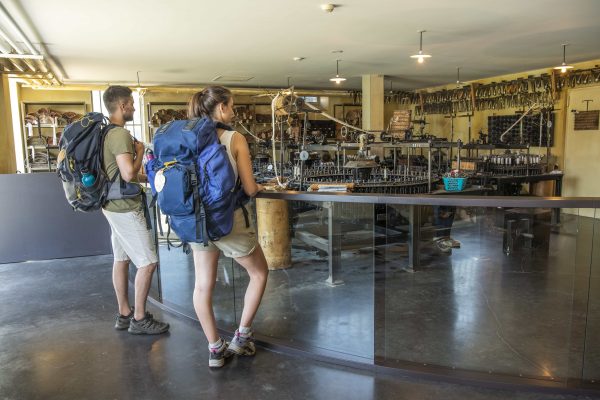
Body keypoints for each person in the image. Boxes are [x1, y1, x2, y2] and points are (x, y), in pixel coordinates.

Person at [188, 86, 269, 368]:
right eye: (231, 106)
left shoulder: (187, 138)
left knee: (202, 286)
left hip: (195, 220)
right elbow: (249, 187)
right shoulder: (235, 138)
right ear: (221, 108)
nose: (233, 112)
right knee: (259, 272)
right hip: (227, 220)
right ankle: (242, 336)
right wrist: (258, 185)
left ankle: (215, 350)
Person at [101, 86, 169, 335]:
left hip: (111, 205)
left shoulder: (104, 132)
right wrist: (140, 152)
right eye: (130, 103)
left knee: (122, 259)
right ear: (121, 106)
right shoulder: (119, 134)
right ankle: (139, 318)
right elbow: (128, 174)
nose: (132, 107)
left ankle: (124, 313)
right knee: (148, 262)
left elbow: (120, 174)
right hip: (125, 208)